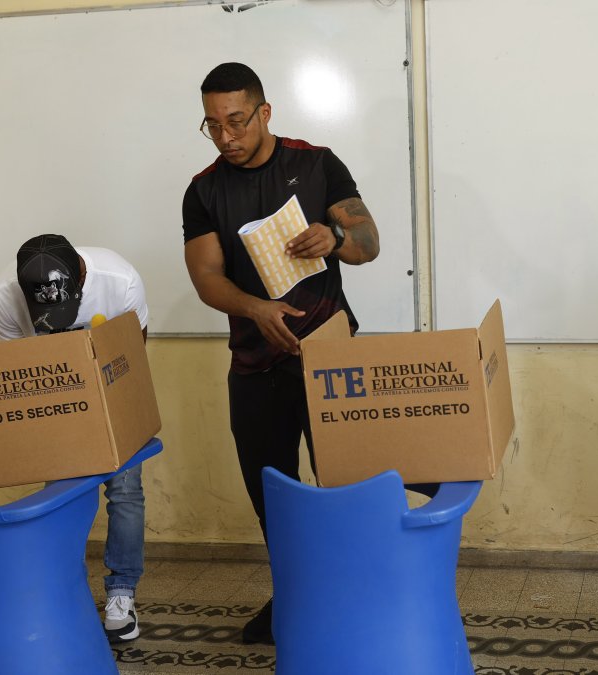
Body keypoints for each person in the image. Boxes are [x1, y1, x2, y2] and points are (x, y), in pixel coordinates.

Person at [180, 61, 383, 645]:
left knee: (345, 486)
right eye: (212, 126)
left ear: (264, 112)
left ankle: (359, 595)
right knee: (273, 493)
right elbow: (206, 278)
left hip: (328, 358)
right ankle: (296, 594)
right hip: (254, 366)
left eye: (237, 121)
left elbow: (369, 242)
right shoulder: (204, 189)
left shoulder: (315, 163)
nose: (227, 138)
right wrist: (254, 309)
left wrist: (336, 238)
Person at [0, 233, 149, 643]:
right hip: (53, 398)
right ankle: (60, 592)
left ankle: (121, 594)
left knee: (125, 491)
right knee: (62, 497)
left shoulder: (119, 278)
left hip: (113, 388)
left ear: (79, 271)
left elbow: (134, 352)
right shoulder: (2, 295)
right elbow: (17, 367)